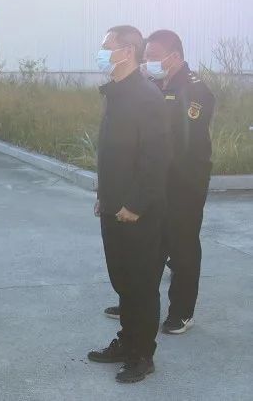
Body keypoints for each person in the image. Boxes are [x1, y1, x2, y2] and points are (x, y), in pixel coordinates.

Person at [103, 30, 215, 335]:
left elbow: (181, 140)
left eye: (153, 57)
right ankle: (136, 302)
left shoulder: (195, 90)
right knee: (148, 246)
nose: (147, 63)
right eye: (146, 57)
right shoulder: (151, 85)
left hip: (184, 182)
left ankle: (182, 311)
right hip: (156, 181)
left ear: (174, 57)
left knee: (182, 245)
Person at [87, 25, 171, 383]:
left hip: (138, 212)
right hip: (114, 204)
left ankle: (142, 355)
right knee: (123, 281)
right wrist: (103, 195)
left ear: (128, 51)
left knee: (141, 284)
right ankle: (126, 341)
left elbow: (156, 158)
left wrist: (135, 204)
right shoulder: (117, 92)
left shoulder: (146, 96)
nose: (102, 52)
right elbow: (113, 154)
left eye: (108, 46)